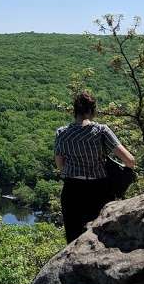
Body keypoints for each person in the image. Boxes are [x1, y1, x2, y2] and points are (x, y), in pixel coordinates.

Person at [54, 91, 136, 242]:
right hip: (99, 191)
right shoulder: (101, 131)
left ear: (75, 111)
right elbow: (130, 160)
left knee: (73, 240)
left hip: (71, 191)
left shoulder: (61, 133)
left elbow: (60, 166)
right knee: (100, 238)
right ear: (92, 111)